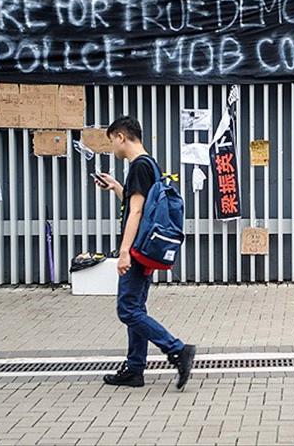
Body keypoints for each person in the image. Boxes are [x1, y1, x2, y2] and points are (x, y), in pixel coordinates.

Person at [94, 115, 195, 390]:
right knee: (135, 308)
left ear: (121, 137)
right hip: (145, 248)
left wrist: (124, 252)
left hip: (137, 250)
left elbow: (137, 212)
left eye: (112, 141)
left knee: (127, 310)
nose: (112, 148)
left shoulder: (138, 166)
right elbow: (138, 206)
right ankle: (135, 369)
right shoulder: (150, 164)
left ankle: (177, 350)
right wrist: (117, 187)